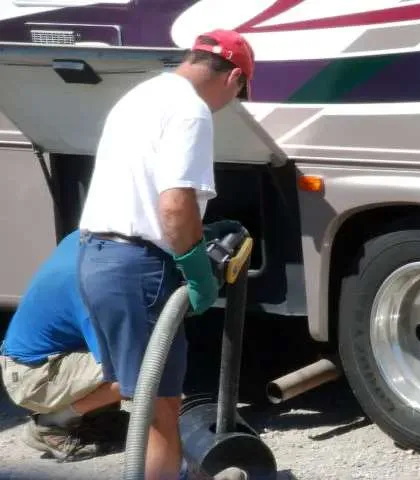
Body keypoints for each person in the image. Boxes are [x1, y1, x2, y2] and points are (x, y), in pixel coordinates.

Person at [77, 28, 255, 480]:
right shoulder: (191, 110)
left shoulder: (143, 94)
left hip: (98, 256)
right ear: (233, 77)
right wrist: (197, 271)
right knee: (160, 408)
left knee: (144, 400)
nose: (229, 104)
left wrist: (198, 227)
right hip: (137, 268)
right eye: (238, 93)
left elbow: (142, 191)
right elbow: (174, 203)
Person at [0, 229, 122, 461]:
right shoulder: (93, 285)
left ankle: (92, 417)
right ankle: (52, 423)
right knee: (136, 367)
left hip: (33, 361)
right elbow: (118, 361)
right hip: (33, 376)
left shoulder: (85, 236)